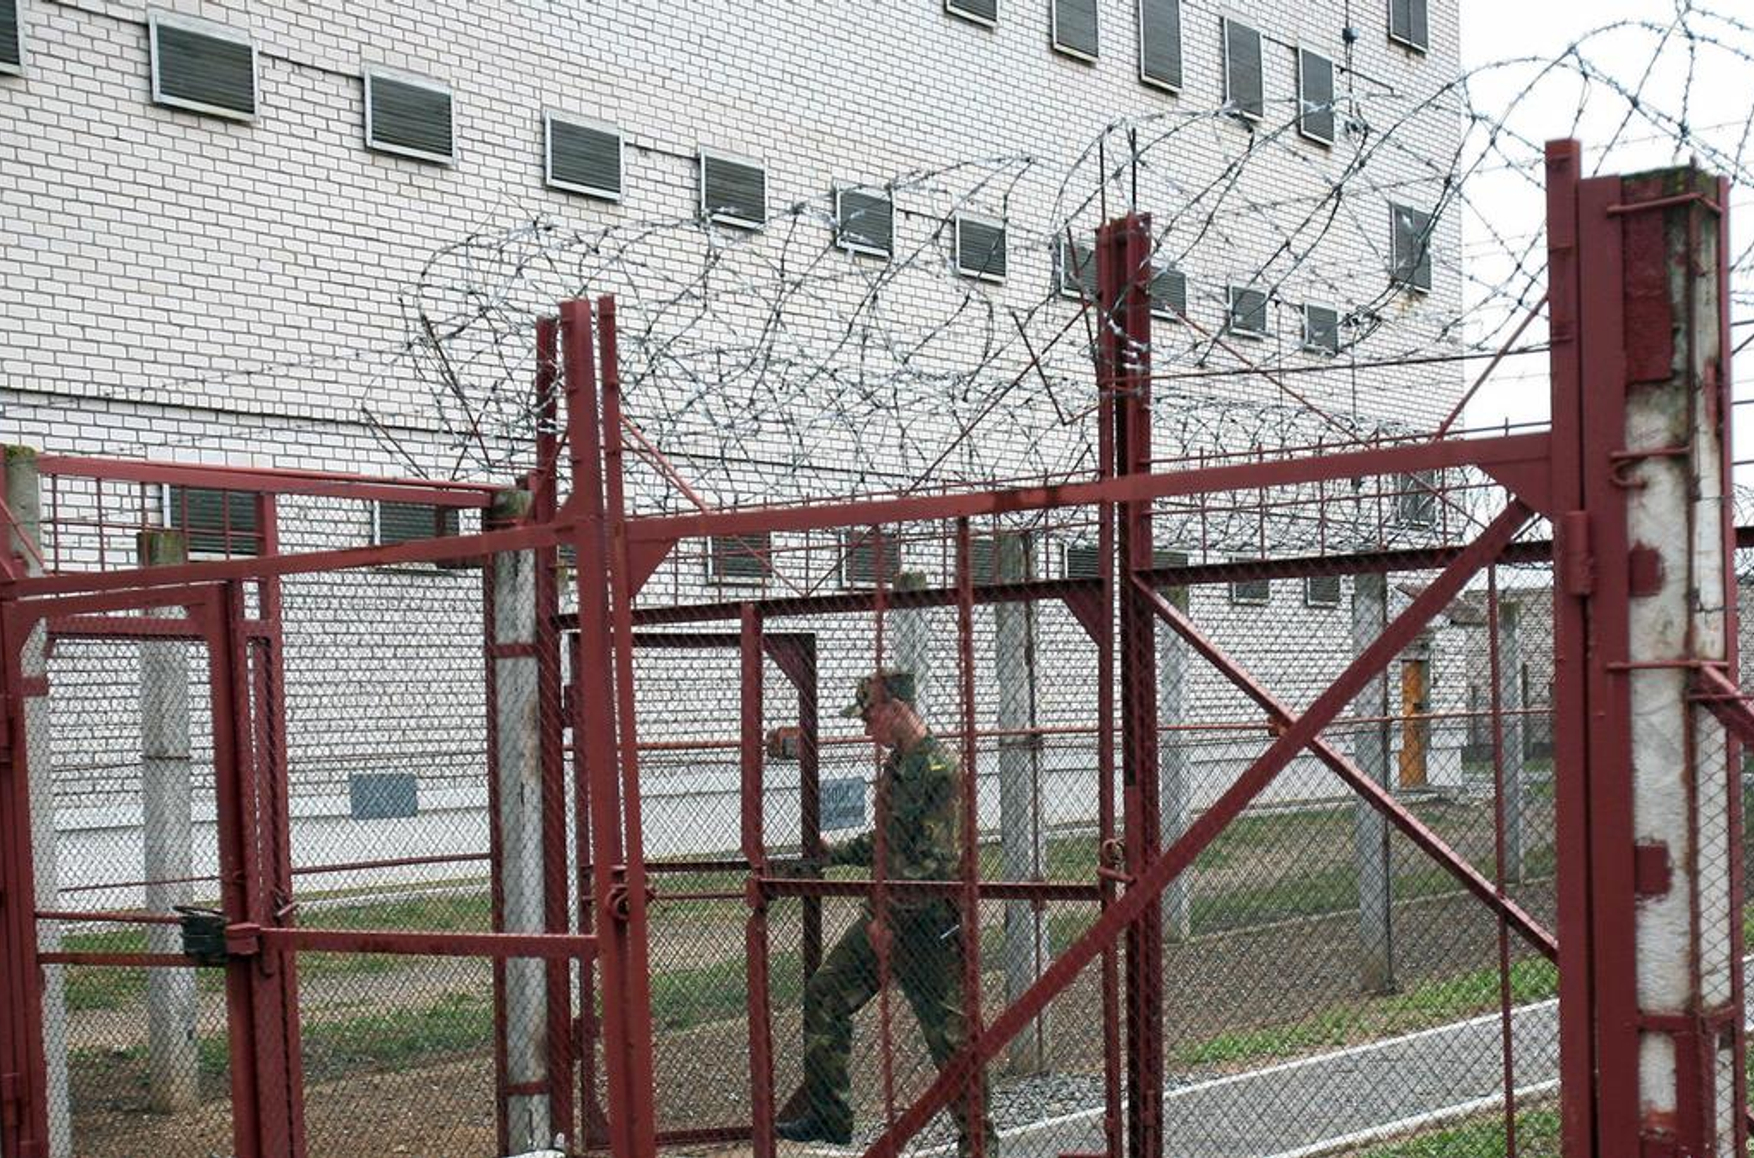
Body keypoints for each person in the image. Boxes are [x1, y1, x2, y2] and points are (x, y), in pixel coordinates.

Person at [776, 669, 998, 1156]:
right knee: (825, 993)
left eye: (869, 717)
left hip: (929, 928)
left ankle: (979, 1145)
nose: (865, 729)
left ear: (897, 709)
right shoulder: (897, 766)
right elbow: (888, 842)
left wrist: (887, 919)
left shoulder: (940, 771)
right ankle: (831, 1116)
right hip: (888, 919)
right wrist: (835, 852)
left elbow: (936, 865)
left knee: (952, 1041)